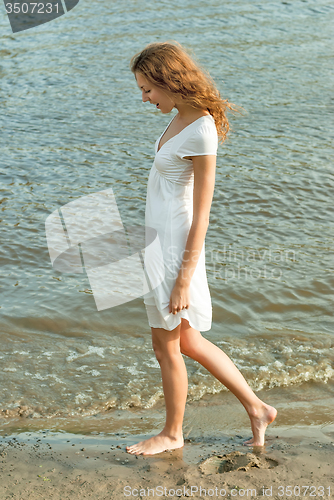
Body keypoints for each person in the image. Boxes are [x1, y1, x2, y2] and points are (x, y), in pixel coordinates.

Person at [126, 41, 277, 456]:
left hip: (176, 252)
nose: (143, 98)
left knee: (166, 346)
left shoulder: (201, 131)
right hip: (159, 244)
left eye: (146, 89)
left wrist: (183, 280)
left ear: (167, 81)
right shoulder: (179, 118)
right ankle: (258, 408)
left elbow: (202, 215)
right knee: (188, 343)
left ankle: (172, 434)